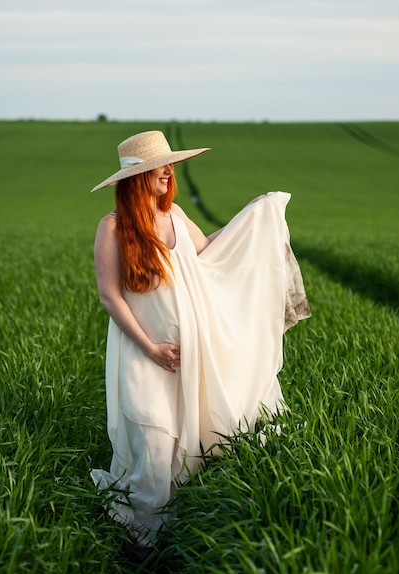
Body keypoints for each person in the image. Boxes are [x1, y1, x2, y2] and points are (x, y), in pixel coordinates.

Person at [90, 130, 310, 549]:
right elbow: (109, 295)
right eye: (159, 167)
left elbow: (213, 254)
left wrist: (255, 220)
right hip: (141, 353)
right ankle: (142, 543)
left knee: (187, 445)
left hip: (189, 356)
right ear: (137, 177)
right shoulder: (113, 228)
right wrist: (150, 348)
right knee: (154, 446)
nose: (169, 172)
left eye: (170, 165)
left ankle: (177, 542)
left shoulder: (175, 218)